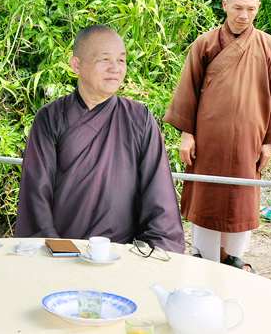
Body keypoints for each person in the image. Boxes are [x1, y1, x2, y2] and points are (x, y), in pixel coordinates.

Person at [15, 25, 185, 253]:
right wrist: (58, 250)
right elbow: (36, 196)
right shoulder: (50, 118)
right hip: (63, 252)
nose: (115, 68)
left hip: (121, 254)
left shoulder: (139, 118)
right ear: (76, 65)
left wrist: (152, 252)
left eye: (121, 60)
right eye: (105, 59)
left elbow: (159, 194)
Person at [164, 0, 271, 271]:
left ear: (258, 8)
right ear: (225, 6)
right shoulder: (205, 43)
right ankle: (204, 253)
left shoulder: (269, 46)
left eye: (250, 9)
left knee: (241, 196)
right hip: (209, 137)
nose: (244, 15)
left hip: (250, 137)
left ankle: (234, 255)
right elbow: (188, 91)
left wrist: (268, 141)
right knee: (208, 193)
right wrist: (187, 135)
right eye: (237, 8)